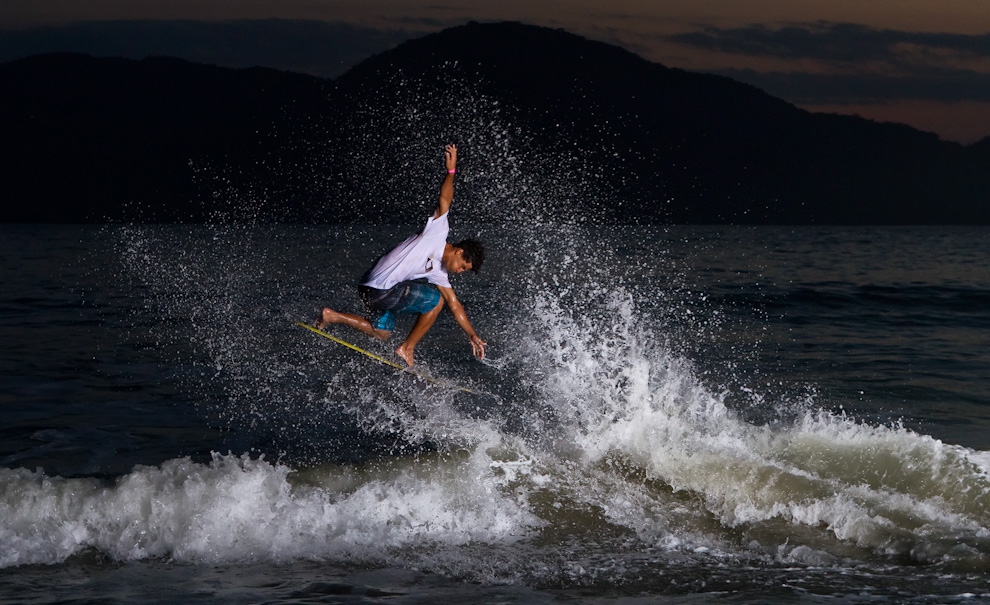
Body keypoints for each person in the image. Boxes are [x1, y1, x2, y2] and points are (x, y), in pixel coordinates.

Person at [314, 144, 487, 366]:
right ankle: (407, 348)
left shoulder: (438, 271)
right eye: (463, 266)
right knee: (434, 303)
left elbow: (455, 303)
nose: (460, 271)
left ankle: (332, 316)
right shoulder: (438, 232)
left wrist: (471, 335)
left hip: (369, 287)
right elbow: (445, 199)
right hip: (381, 288)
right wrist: (451, 172)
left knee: (382, 332)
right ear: (460, 251)